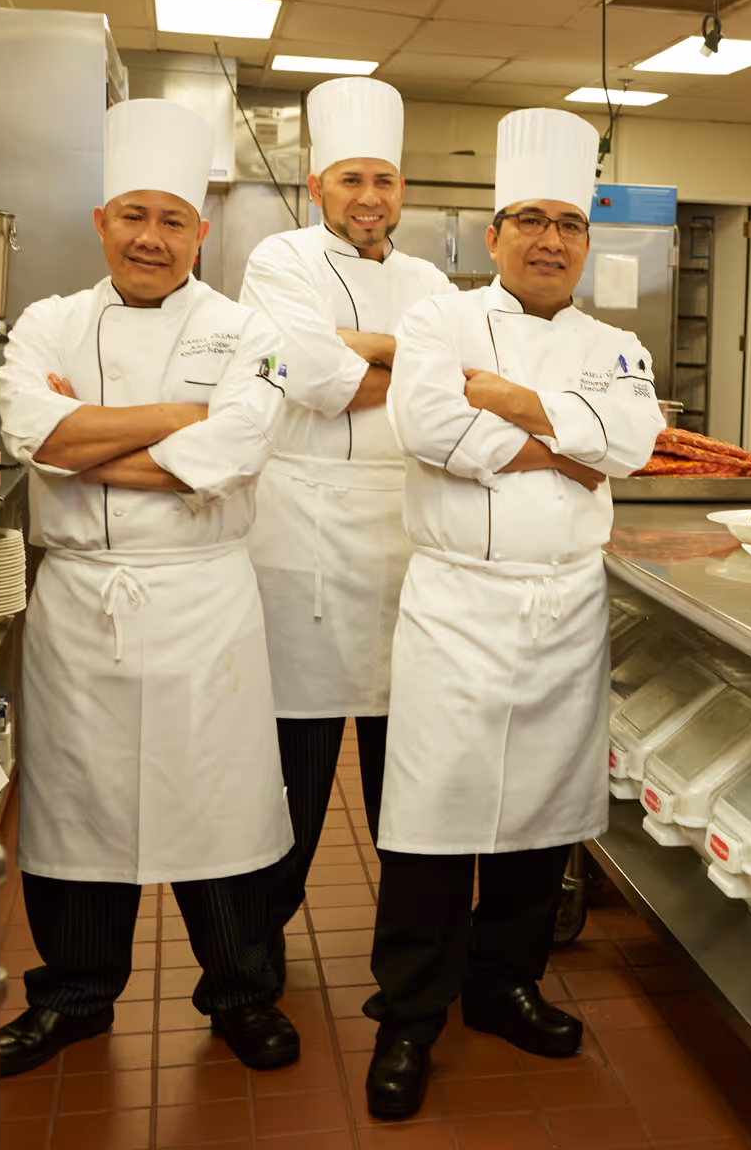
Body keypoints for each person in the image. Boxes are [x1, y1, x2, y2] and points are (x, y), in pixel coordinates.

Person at [361, 108, 666, 1120]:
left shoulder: (618, 342)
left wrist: (519, 404)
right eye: (529, 218)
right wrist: (565, 442)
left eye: (568, 223)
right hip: (457, 603)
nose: (548, 239)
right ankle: (409, 1012)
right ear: (494, 235)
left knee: (540, 818)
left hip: (566, 605)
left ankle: (505, 985)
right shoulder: (437, 320)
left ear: (587, 241)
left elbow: (633, 444)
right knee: (432, 817)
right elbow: (428, 423)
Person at [0, 99, 299, 1075]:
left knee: (224, 806)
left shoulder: (249, 329)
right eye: (133, 214)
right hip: (81, 604)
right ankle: (75, 995)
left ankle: (244, 994)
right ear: (101, 221)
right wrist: (177, 418)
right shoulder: (45, 322)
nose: (151, 237)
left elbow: (235, 449)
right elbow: (30, 435)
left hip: (203, 602)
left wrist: (89, 437)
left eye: (173, 219)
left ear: (200, 230)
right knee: (77, 807)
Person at [238, 76, 455, 977]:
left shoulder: (430, 279)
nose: (370, 198)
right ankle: (250, 962)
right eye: (352, 180)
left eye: (386, 181)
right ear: (319, 183)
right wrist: (406, 369)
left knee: (408, 788)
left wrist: (358, 352)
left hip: (410, 555)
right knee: (290, 787)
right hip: (305, 560)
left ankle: (411, 970)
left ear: (403, 190)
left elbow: (452, 386)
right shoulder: (277, 261)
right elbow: (311, 380)